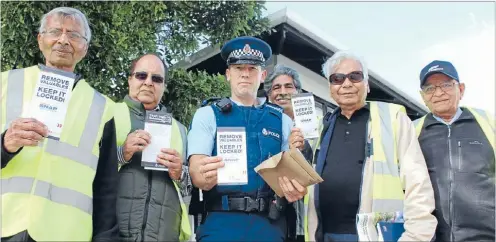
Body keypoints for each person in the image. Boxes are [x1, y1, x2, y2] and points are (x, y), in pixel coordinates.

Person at [1, 7, 118, 242]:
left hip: (66, 234)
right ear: (40, 39)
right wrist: (4, 144)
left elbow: (106, 188)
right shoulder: (4, 83)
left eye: (74, 35)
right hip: (6, 225)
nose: (63, 40)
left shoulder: (103, 107)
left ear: (84, 48)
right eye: (55, 31)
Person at [299, 50, 437, 242]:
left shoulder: (393, 118)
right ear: (330, 87)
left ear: (367, 84)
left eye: (354, 76)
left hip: (377, 236)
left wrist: (416, 236)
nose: (346, 84)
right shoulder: (322, 126)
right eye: (337, 79)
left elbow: (418, 182)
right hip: (325, 234)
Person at [187, 36, 307, 241]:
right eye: (238, 68)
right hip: (220, 223)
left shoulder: (282, 120)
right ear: (228, 74)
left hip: (269, 225)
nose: (245, 74)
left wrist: (296, 187)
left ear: (263, 75)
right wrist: (202, 175)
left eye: (252, 69)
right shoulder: (207, 114)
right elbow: (197, 173)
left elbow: (295, 183)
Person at [413, 60, 495, 242]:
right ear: (423, 96)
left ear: (461, 89)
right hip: (430, 237)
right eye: (430, 88)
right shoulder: (412, 132)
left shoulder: (488, 123)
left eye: (446, 85)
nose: (439, 93)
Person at [113, 53, 192, 241]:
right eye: (142, 75)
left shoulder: (180, 129)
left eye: (156, 79)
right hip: (113, 233)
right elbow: (86, 167)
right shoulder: (108, 113)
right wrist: (121, 154)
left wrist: (180, 173)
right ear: (129, 80)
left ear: (163, 87)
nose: (148, 82)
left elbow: (190, 189)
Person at [264, 64, 313, 242]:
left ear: (297, 91)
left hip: (311, 218)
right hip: (275, 217)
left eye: (288, 86)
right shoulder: (264, 128)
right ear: (269, 95)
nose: (282, 92)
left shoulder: (316, 127)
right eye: (276, 87)